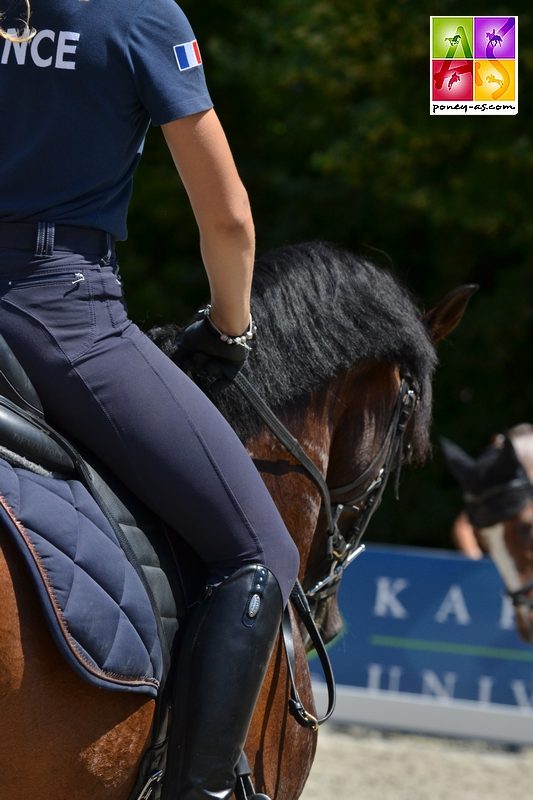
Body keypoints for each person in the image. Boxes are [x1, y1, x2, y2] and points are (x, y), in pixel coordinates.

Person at [0, 2, 300, 799]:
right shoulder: (137, 15)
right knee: (259, 552)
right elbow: (229, 219)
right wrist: (230, 328)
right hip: (58, 312)